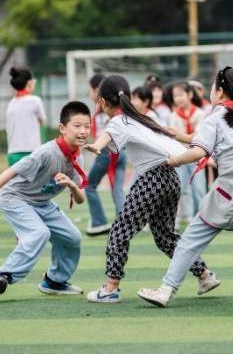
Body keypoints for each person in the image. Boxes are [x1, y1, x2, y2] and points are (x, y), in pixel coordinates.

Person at [137, 67, 233, 307]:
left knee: (190, 239)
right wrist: (178, 136)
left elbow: (200, 151)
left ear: (220, 90)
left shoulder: (215, 117)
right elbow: (209, 142)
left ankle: (166, 290)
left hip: (230, 187)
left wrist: (169, 161)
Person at [84, 75, 219, 304]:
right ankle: (205, 275)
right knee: (166, 237)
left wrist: (96, 146)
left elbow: (106, 136)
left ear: (103, 102)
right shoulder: (141, 118)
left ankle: (110, 288)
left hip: (152, 179)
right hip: (170, 178)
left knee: (118, 232)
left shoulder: (118, 121)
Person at [0, 101, 89, 298]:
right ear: (62, 128)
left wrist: (72, 186)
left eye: (87, 126)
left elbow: (81, 199)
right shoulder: (47, 152)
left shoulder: (77, 159)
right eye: (77, 125)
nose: (83, 131)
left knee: (73, 237)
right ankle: (3, 275)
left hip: (43, 204)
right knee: (39, 233)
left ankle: (55, 281)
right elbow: (10, 172)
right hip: (15, 197)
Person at [85, 74, 127, 237]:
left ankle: (99, 222)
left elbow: (103, 134)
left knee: (89, 186)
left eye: (90, 89)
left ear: (97, 90)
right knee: (117, 189)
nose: (89, 93)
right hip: (121, 152)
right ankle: (124, 223)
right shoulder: (119, 109)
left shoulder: (103, 109)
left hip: (106, 152)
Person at [168, 81, 207, 223]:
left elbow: (199, 135)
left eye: (181, 95)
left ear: (190, 94)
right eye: (175, 96)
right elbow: (173, 137)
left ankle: (202, 217)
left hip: (197, 156)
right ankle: (186, 216)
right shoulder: (173, 116)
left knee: (199, 189)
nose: (178, 98)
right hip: (181, 156)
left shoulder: (200, 113)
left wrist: (184, 137)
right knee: (182, 189)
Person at [5, 67, 46, 166]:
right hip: (31, 152)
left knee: (17, 182)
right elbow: (42, 121)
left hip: (12, 153)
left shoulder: (10, 104)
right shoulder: (35, 101)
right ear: (30, 83)